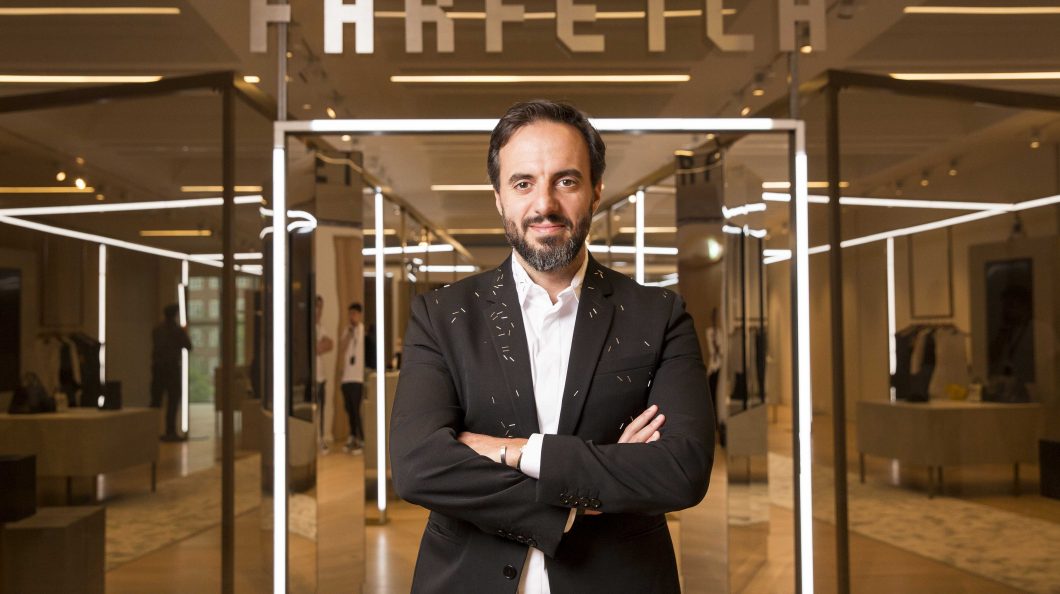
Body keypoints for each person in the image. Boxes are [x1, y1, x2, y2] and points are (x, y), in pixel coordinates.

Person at [390, 100, 715, 593]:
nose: (544, 204)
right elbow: (418, 467)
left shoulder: (659, 314)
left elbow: (681, 471)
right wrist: (581, 495)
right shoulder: (441, 316)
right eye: (523, 183)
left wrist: (516, 452)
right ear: (499, 198)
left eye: (566, 180)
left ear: (596, 191)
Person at [151, 303, 192, 441]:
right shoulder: (177, 330)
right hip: (172, 369)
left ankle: (151, 431)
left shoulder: (157, 330)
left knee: (156, 401)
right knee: (173, 401)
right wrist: (185, 333)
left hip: (158, 368)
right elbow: (188, 346)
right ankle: (170, 431)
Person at [338, 302, 365, 453]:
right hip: (346, 378)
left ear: (359, 315)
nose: (351, 316)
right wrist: (348, 333)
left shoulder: (362, 330)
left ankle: (361, 439)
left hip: (357, 378)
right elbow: (341, 348)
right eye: (350, 314)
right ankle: (352, 436)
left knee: (356, 409)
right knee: (348, 409)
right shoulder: (347, 330)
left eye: (354, 313)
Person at [314, 295, 335, 452]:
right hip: (312, 378)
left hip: (322, 377)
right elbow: (317, 347)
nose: (319, 311)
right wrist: (320, 346)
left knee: (321, 410)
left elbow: (330, 344)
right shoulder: (307, 327)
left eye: (321, 307)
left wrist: (322, 345)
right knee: (312, 411)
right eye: (317, 307)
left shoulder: (320, 327)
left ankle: (320, 438)